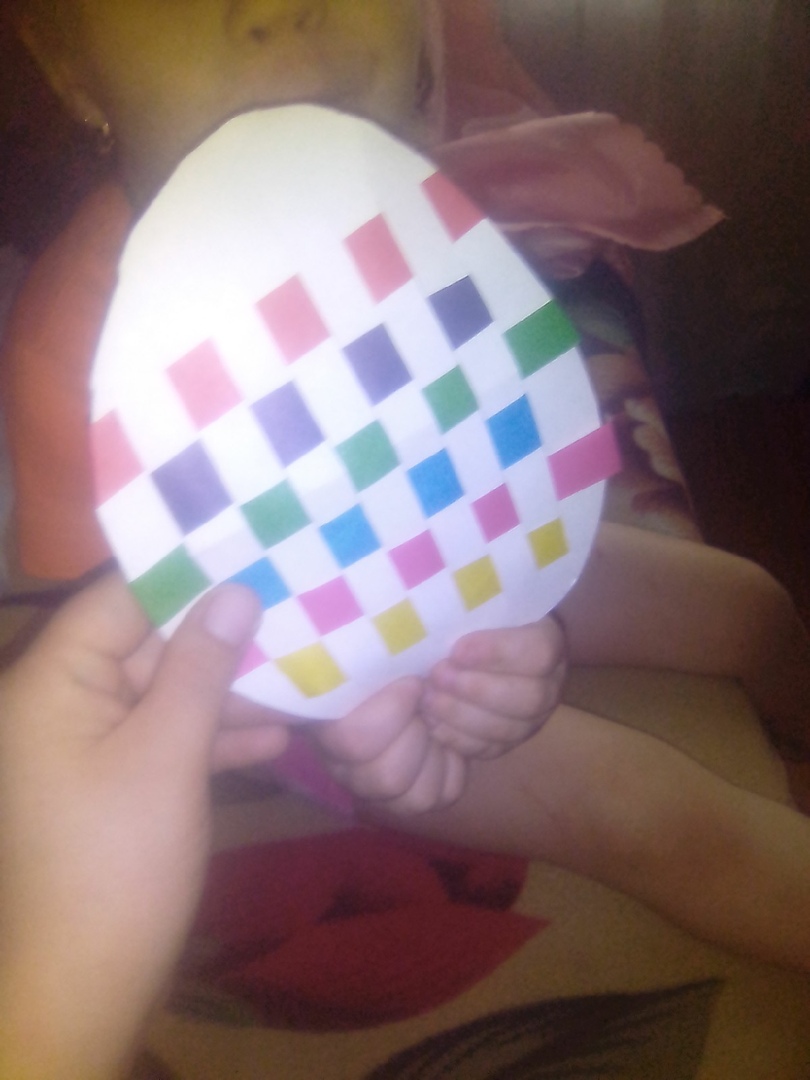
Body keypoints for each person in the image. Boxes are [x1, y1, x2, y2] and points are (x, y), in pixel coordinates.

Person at [2, 0, 810, 981]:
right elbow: (124, 659)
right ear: (68, 64)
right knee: (651, 809)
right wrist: (394, 712)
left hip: (454, 530)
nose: (283, 9)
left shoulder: (384, 193)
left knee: (750, 605)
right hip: (331, 689)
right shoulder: (74, 354)